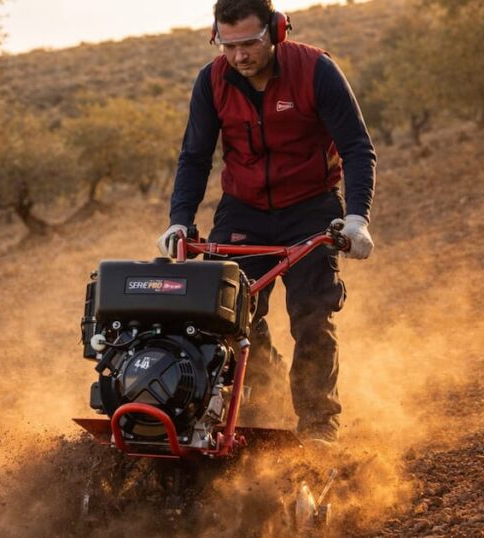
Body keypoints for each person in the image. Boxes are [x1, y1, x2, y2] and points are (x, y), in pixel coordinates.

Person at [156, 0, 376, 446]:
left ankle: (318, 426)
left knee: (311, 317)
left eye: (250, 43)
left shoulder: (315, 70)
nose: (239, 56)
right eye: (228, 45)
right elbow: (194, 157)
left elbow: (356, 146)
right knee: (224, 317)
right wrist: (179, 222)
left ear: (277, 31)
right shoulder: (212, 81)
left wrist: (356, 219)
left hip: (311, 207)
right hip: (243, 210)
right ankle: (262, 394)